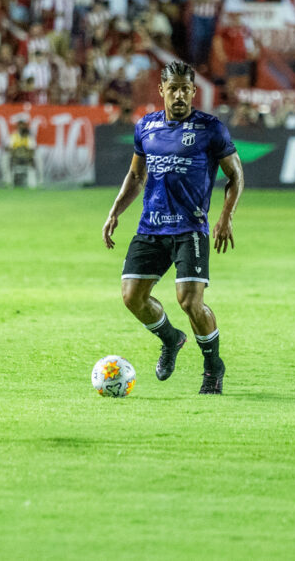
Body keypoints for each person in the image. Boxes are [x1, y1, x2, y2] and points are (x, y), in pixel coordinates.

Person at [102, 61, 244, 395]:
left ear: (194, 92)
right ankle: (171, 338)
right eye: (173, 88)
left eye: (185, 89)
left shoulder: (210, 129)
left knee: (190, 302)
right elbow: (137, 176)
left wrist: (226, 216)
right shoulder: (146, 127)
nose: (179, 95)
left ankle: (213, 367)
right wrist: (115, 210)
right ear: (161, 90)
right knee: (131, 297)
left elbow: (235, 174)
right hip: (151, 226)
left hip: (190, 228)